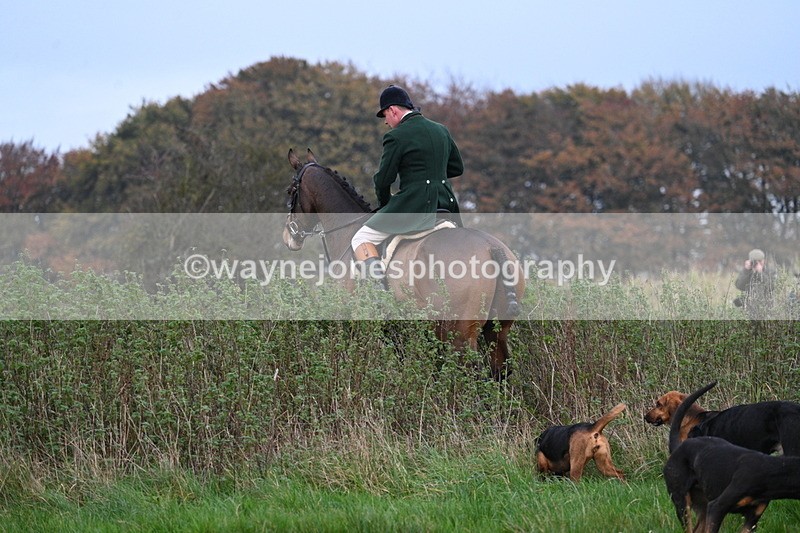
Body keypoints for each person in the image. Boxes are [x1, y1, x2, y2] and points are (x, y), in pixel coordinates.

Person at [351, 85, 464, 284]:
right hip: (446, 203)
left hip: (415, 205)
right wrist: (433, 173)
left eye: (385, 115)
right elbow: (457, 168)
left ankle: (378, 294)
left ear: (393, 110)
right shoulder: (441, 130)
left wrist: (386, 206)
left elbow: (384, 179)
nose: (386, 122)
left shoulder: (396, 136)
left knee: (360, 238)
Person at [734, 248, 775, 320]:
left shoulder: (769, 272)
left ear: (764, 261)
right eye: (755, 261)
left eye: (759, 261)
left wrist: (760, 273)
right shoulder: (747, 273)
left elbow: (771, 287)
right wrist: (746, 270)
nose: (757, 263)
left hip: (766, 309)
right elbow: (739, 285)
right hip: (748, 310)